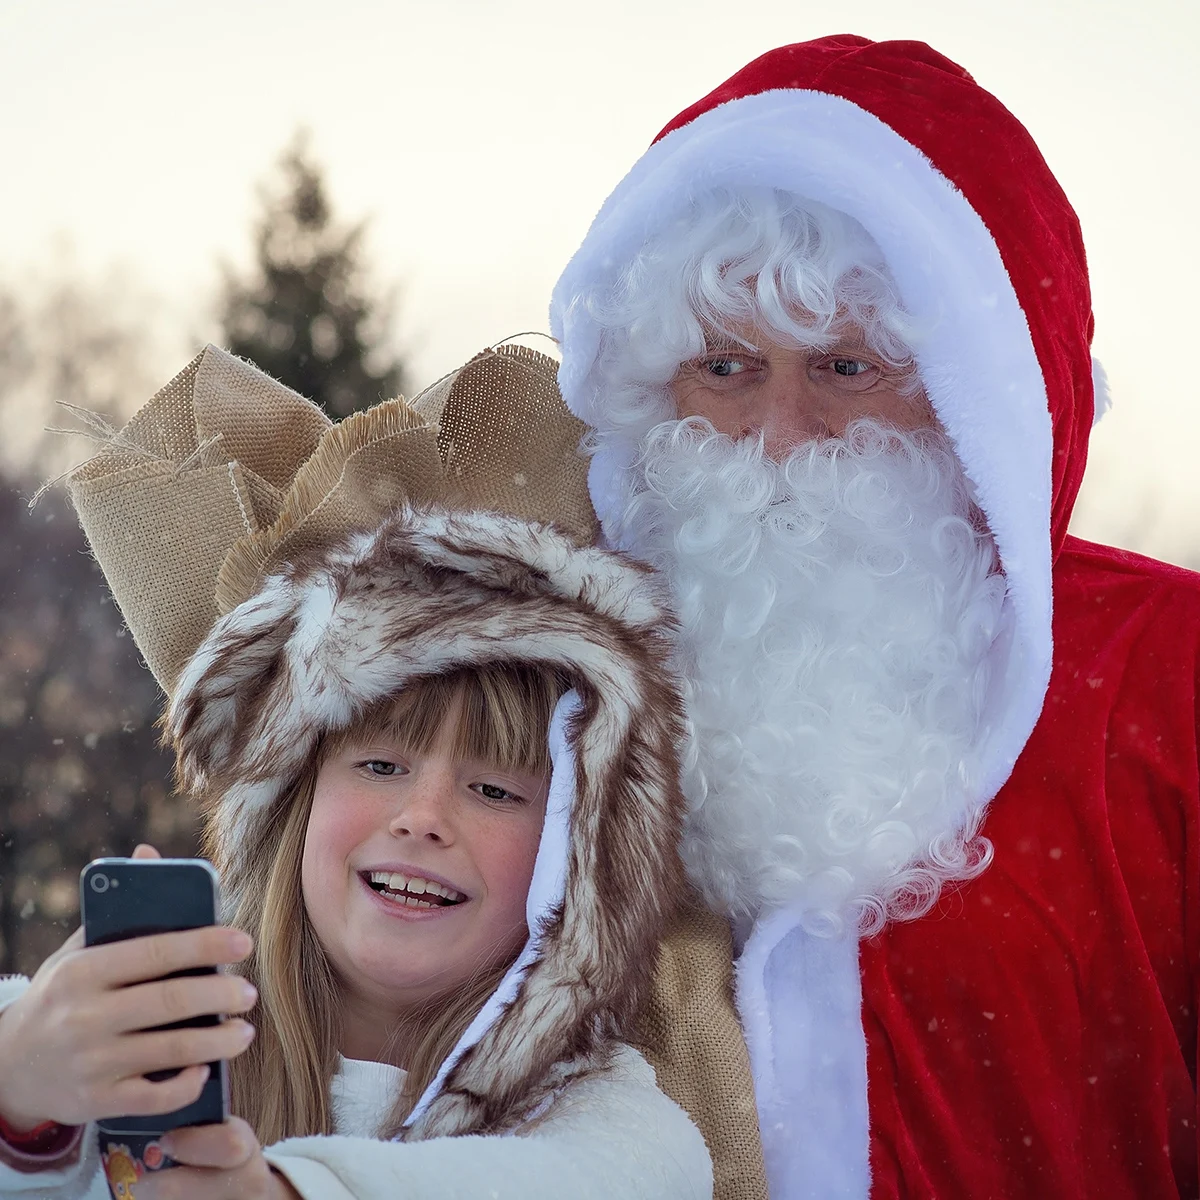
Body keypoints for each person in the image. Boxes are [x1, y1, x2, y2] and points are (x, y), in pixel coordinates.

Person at [550, 34, 1200, 1200]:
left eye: (847, 369)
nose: (781, 438)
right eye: (727, 366)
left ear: (969, 401)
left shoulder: (1171, 682)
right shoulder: (542, 683)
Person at [0, 344, 712, 1198]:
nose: (422, 816)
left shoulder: (616, 1131)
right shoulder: (133, 1047)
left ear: (578, 856)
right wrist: (24, 1094)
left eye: (495, 790)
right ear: (292, 805)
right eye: (378, 763)